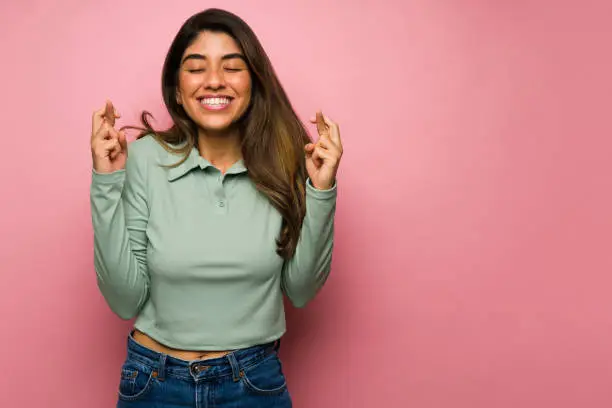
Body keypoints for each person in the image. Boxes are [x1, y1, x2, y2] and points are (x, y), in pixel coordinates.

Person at [89, 8, 343, 407]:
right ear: (176, 88)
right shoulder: (145, 159)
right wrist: (106, 182)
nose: (214, 81)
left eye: (232, 66)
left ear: (253, 83)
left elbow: (302, 290)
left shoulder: (288, 161)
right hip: (153, 382)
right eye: (196, 67)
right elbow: (123, 299)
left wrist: (321, 189)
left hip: (253, 382)